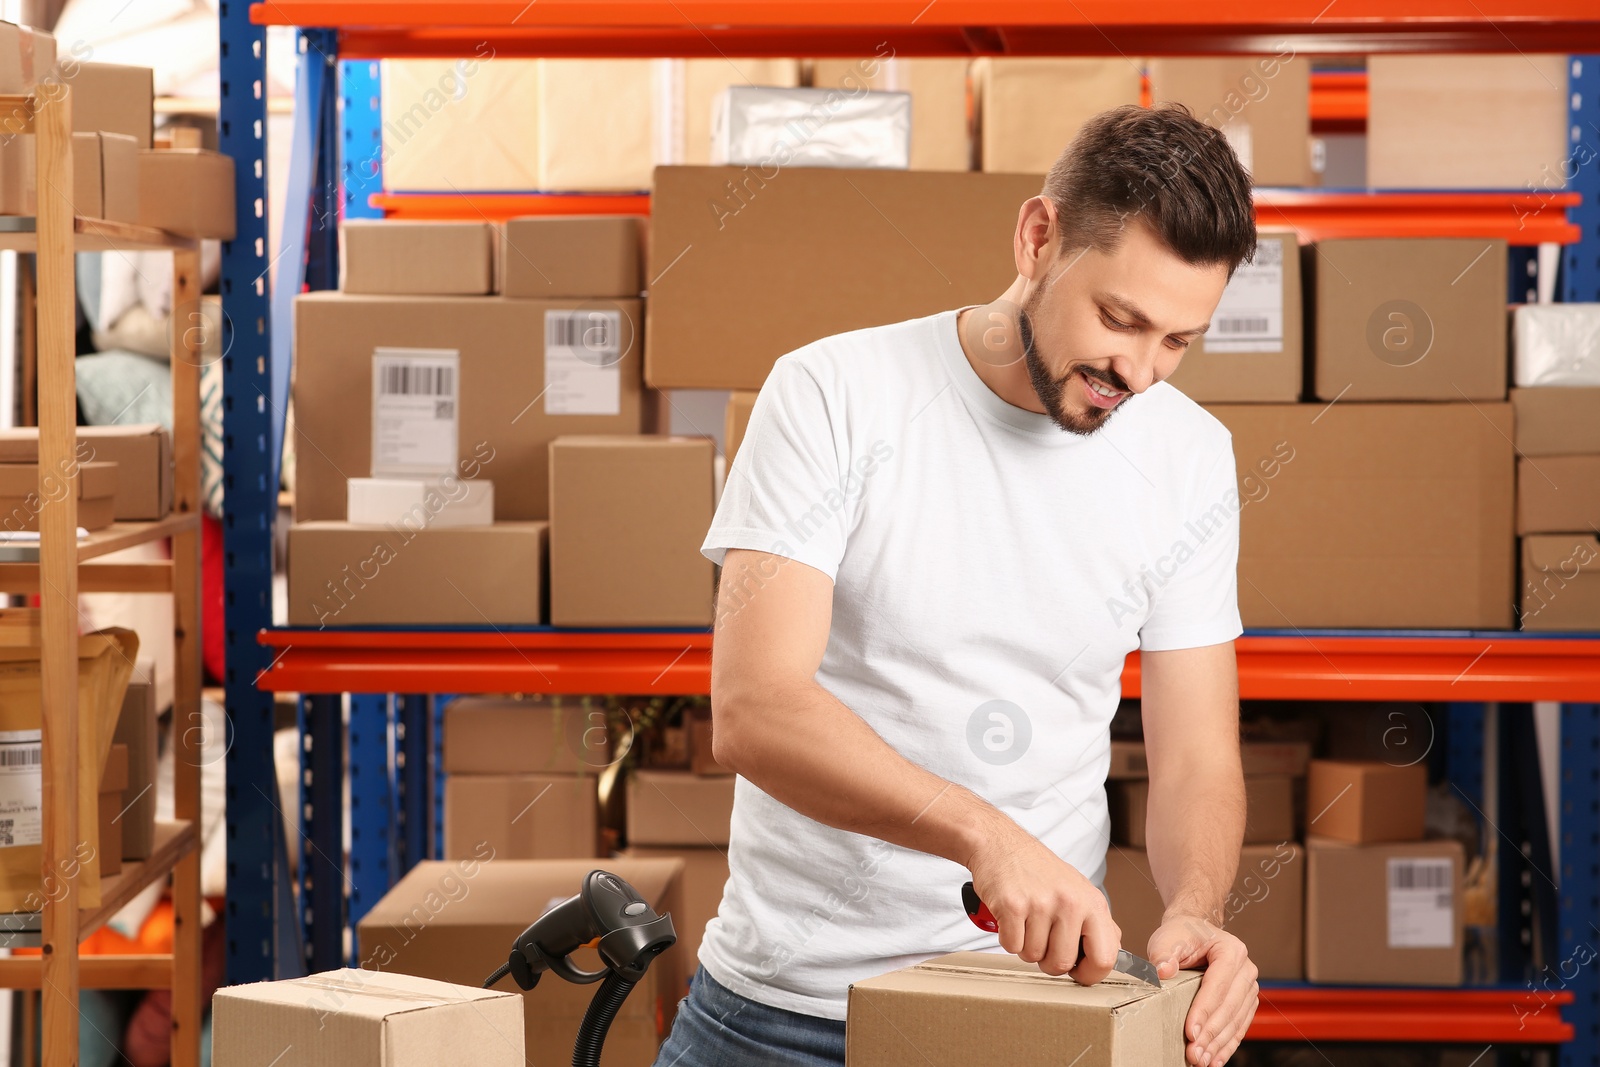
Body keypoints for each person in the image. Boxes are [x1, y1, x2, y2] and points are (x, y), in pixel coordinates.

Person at [655, 103, 1260, 1067]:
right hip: (788, 1014)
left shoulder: (1191, 458)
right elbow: (755, 706)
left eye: (1178, 341)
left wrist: (1195, 909)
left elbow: (1194, 757)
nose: (1138, 373)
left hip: (1028, 1015)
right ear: (1037, 238)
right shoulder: (832, 397)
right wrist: (988, 838)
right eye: (1120, 318)